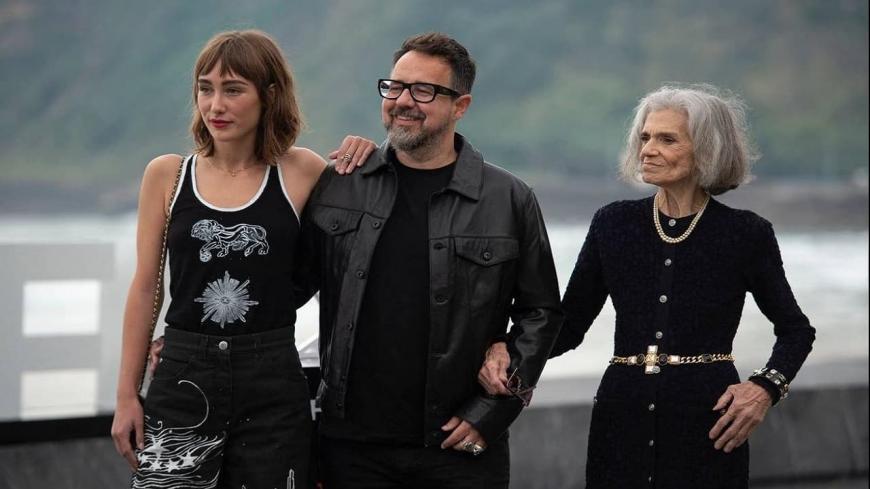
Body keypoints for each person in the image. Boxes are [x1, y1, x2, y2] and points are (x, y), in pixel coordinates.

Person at [478, 84, 816, 488]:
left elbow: (796, 330)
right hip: (621, 418)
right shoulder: (613, 223)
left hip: (709, 425)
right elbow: (568, 326)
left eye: (667, 139)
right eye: (645, 137)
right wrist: (506, 348)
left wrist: (764, 388)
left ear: (707, 150)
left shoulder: (746, 234)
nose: (648, 150)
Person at [292, 32, 564, 488]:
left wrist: (492, 412)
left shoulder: (508, 198)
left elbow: (542, 312)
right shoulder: (341, 184)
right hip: (350, 450)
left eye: (423, 91)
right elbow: (286, 289)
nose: (403, 101)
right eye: (395, 87)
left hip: (459, 449)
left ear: (461, 106)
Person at [109, 30, 374, 488]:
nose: (215, 105)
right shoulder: (167, 175)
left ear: (268, 95)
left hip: (273, 384)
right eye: (205, 89)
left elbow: (361, 236)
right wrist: (126, 395)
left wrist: (368, 155)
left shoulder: (302, 171)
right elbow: (146, 287)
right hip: (182, 377)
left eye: (233, 90)